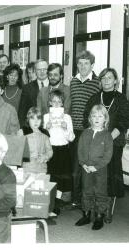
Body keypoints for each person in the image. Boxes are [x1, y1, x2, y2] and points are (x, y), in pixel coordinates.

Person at [84, 67, 129, 222]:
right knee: (94, 174)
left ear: (115, 81)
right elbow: (86, 118)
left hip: (114, 141)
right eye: (103, 78)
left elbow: (124, 121)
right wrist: (97, 138)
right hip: (95, 142)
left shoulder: (121, 99)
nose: (106, 80)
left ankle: (107, 207)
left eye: (109, 78)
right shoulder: (94, 98)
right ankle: (94, 206)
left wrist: (107, 139)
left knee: (109, 173)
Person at [69, 50, 101, 209]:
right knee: (75, 167)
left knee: (87, 166)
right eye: (80, 63)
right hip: (73, 131)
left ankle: (86, 201)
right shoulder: (73, 81)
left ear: (92, 65)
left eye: (86, 63)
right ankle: (75, 199)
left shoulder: (97, 83)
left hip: (88, 131)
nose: (82, 66)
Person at [76, 104, 113, 230]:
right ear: (90, 118)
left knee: (100, 192)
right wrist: (83, 164)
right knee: (86, 191)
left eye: (100, 116)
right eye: (94, 115)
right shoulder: (85, 133)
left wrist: (96, 167)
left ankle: (99, 217)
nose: (97, 118)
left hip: (100, 170)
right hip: (86, 168)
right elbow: (80, 150)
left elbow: (108, 156)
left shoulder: (107, 135)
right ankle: (86, 215)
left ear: (105, 119)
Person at [44, 89, 75, 209]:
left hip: (63, 150)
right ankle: (53, 202)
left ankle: (59, 200)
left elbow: (71, 138)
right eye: (54, 101)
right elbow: (43, 138)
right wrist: (46, 129)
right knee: (51, 176)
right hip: (51, 150)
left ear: (62, 103)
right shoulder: (46, 117)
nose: (56, 104)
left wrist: (66, 128)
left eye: (59, 102)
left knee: (62, 177)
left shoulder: (67, 118)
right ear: (50, 103)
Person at [18, 59, 49, 128]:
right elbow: (22, 112)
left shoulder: (54, 86)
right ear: (35, 71)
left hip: (52, 128)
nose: (42, 72)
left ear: (48, 70)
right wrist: (24, 129)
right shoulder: (27, 88)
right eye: (39, 69)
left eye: (44, 69)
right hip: (32, 128)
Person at [22, 107, 53, 173]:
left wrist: (45, 157)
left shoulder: (45, 133)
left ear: (41, 120)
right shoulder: (22, 132)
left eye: (38, 118)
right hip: (27, 168)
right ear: (28, 120)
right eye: (32, 118)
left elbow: (50, 151)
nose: (36, 121)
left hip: (42, 168)